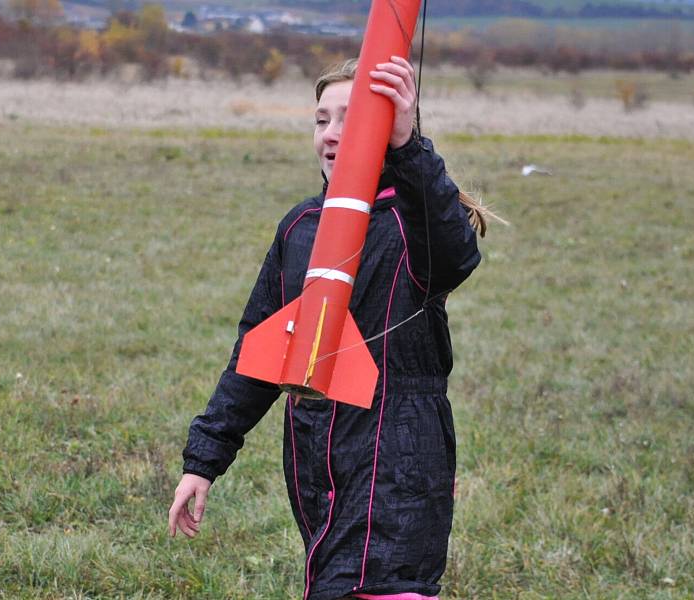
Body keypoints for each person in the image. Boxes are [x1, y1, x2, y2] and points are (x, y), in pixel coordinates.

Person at [168, 56, 490, 600]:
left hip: (399, 464)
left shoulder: (415, 223)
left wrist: (412, 147)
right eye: (322, 120)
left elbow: (456, 257)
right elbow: (258, 351)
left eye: (353, 118)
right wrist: (204, 460)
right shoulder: (300, 227)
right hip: (318, 462)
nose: (333, 134)